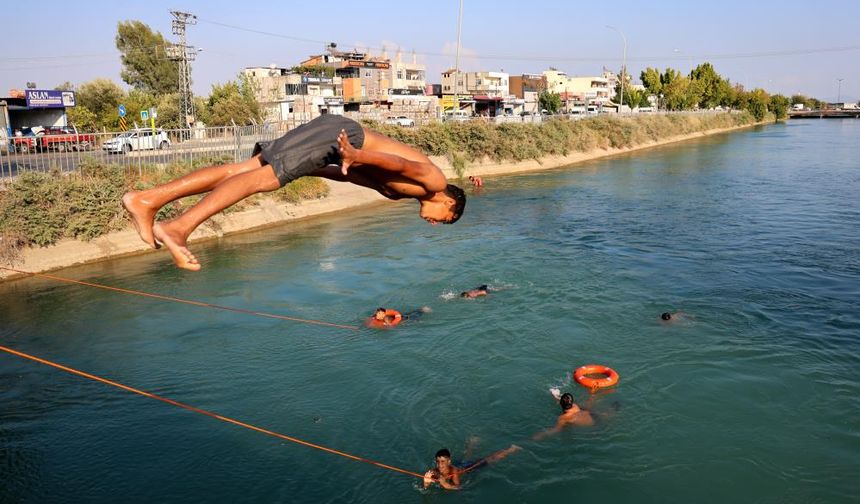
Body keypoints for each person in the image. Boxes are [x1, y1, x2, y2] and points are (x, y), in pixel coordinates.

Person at [122, 114, 467, 271]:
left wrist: (305, 169)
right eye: (445, 220)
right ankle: (178, 228)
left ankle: (148, 199)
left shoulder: (397, 196)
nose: (436, 224)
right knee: (263, 180)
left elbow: (348, 177)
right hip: (350, 138)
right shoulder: (435, 182)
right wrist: (357, 154)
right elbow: (402, 165)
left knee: (246, 171)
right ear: (449, 202)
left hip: (337, 141)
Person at [423, 445, 520, 490]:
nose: (440, 465)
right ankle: (472, 444)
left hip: (467, 468)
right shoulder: (433, 471)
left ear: (449, 461)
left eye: (443, 462)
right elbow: (425, 489)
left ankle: (511, 449)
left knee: (490, 459)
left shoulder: (455, 472)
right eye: (438, 462)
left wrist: (445, 484)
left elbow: (458, 487)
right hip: (459, 464)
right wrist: (426, 483)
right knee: (465, 459)